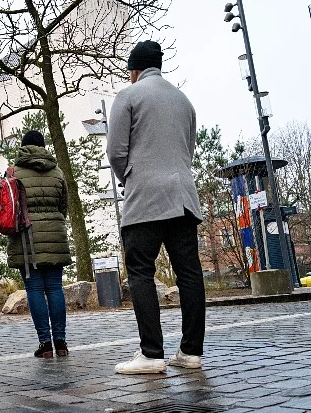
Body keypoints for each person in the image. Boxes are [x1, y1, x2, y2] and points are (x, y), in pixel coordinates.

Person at [107, 40, 205, 375]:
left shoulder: (129, 95)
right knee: (189, 274)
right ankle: (190, 352)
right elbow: (187, 150)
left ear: (135, 69)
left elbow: (116, 151)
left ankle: (151, 353)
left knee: (140, 271)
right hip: (183, 198)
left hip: (145, 198)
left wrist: (129, 179)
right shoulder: (184, 100)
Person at [6, 130, 71, 358]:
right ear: (43, 146)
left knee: (34, 289)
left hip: (27, 239)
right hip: (55, 234)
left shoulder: (14, 173)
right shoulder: (57, 172)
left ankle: (45, 344)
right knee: (55, 287)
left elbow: (8, 209)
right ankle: (61, 342)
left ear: (23, 147)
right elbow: (64, 207)